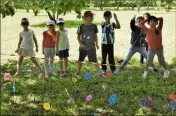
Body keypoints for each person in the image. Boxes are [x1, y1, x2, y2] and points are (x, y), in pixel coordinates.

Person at [76, 11, 101, 76]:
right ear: (85, 18)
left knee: (94, 60)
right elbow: (78, 37)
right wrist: (80, 44)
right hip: (83, 47)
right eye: (89, 18)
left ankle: (99, 72)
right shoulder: (81, 26)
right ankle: (78, 71)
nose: (91, 19)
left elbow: (95, 35)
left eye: (92, 18)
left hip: (91, 46)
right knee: (80, 59)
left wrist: (97, 44)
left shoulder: (94, 26)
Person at [101, 11, 121, 76]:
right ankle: (104, 69)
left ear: (111, 16)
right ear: (104, 17)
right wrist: (107, 20)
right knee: (104, 57)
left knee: (111, 57)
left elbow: (118, 26)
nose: (107, 17)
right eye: (105, 16)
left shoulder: (113, 24)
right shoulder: (103, 23)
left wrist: (116, 18)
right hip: (104, 43)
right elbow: (104, 23)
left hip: (110, 43)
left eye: (108, 16)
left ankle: (113, 69)